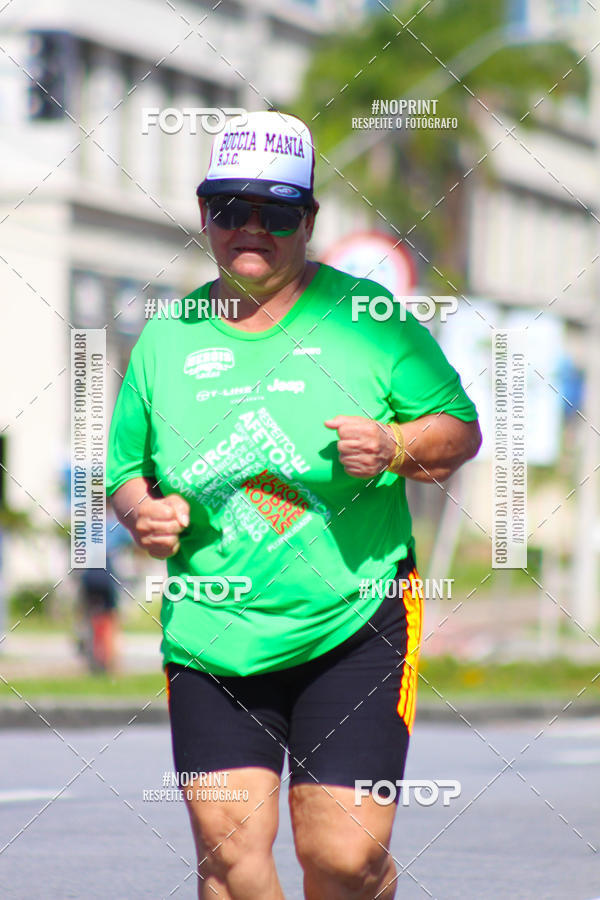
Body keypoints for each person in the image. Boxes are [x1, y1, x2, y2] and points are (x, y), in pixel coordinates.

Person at [106, 110, 481, 900]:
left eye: (275, 213)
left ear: (307, 223)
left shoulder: (371, 321)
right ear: (205, 216)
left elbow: (459, 430)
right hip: (215, 632)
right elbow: (125, 474)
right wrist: (142, 514)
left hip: (354, 622)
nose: (251, 230)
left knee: (343, 858)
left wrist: (394, 445)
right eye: (229, 210)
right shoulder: (166, 341)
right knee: (231, 856)